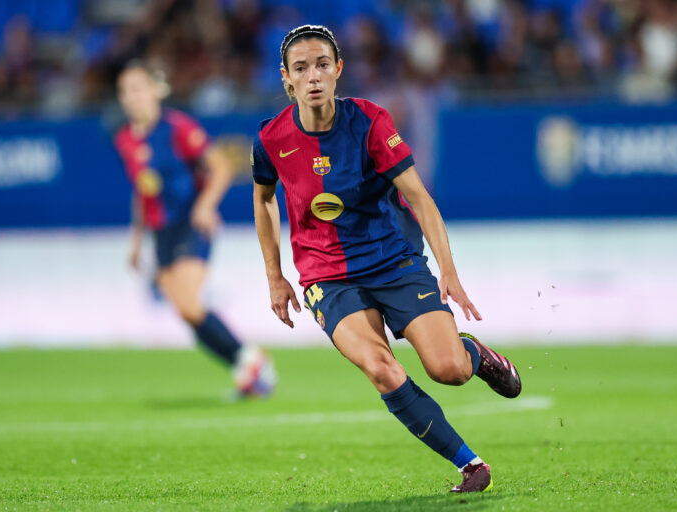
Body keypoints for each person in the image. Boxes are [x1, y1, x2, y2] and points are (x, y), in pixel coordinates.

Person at [251, 25, 521, 493]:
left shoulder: (370, 122)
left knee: (449, 370)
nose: (313, 76)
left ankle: (474, 354)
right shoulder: (272, 138)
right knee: (381, 367)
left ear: (338, 69)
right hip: (327, 277)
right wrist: (275, 276)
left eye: (322, 65)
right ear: (286, 78)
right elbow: (264, 199)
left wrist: (449, 272)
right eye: (301, 68)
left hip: (392, 261)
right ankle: (471, 465)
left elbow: (419, 197)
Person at [114, 61, 276, 397]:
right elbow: (141, 191)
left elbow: (221, 167)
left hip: (191, 222)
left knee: (189, 305)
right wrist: (136, 241)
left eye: (138, 88)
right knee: (187, 313)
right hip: (161, 232)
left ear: (155, 90)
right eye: (125, 91)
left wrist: (206, 205)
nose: (132, 97)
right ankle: (246, 369)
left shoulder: (178, 128)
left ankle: (252, 361)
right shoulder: (125, 139)